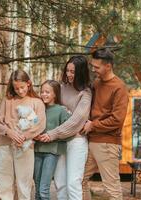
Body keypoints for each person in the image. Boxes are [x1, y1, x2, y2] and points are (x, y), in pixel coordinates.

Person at [39, 55, 92, 200]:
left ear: (80, 73)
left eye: (73, 72)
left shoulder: (85, 93)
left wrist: (52, 134)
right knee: (60, 184)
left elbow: (76, 121)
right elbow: (48, 104)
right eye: (67, 70)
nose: (69, 74)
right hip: (60, 142)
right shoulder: (61, 88)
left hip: (76, 142)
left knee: (73, 184)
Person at [81, 48, 129, 200]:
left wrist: (93, 125)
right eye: (92, 66)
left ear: (108, 66)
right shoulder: (96, 83)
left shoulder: (119, 87)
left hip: (107, 144)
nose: (93, 70)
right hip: (91, 140)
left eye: (97, 67)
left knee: (112, 188)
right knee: (79, 181)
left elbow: (117, 120)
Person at [0, 69, 46, 200]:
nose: (20, 91)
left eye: (22, 87)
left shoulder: (37, 102)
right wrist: (9, 132)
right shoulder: (7, 100)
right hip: (5, 146)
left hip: (25, 147)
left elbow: (40, 125)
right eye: (16, 88)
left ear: (29, 83)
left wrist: (25, 136)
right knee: (5, 182)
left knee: (24, 183)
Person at [34, 80, 70, 200]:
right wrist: (34, 135)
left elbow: (68, 132)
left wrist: (53, 136)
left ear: (55, 94)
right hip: (37, 150)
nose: (43, 94)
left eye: (47, 92)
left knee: (43, 189)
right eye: (42, 92)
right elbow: (33, 126)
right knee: (37, 189)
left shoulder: (61, 110)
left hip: (51, 152)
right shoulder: (39, 109)